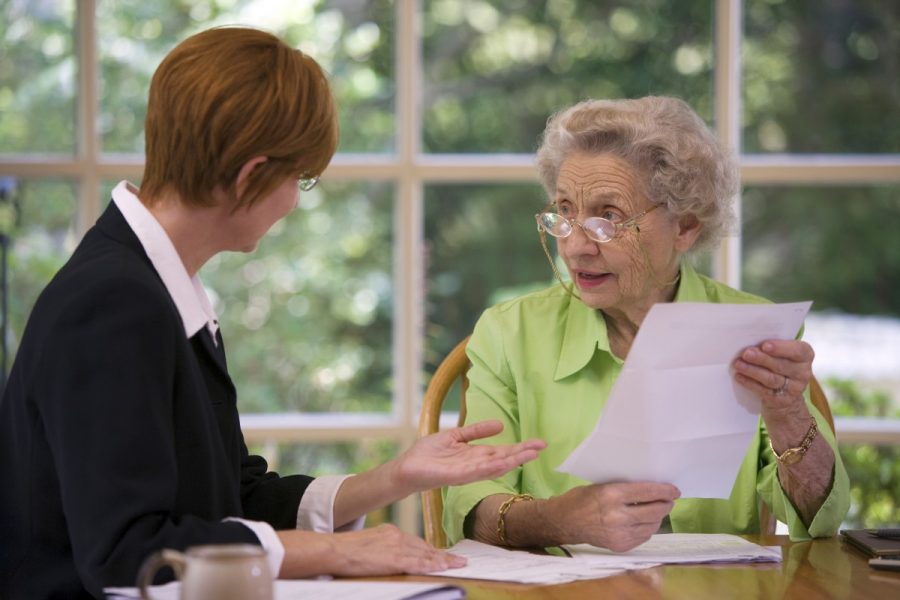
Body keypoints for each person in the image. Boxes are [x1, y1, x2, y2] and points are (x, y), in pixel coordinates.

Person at [0, 27, 546, 599]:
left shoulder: (156, 287)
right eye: (300, 178)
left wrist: (394, 478)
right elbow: (127, 553)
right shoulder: (114, 303)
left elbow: (237, 498)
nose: (293, 200)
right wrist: (337, 551)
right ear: (250, 175)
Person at [443, 96, 849, 552]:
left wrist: (788, 415)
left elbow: (821, 521)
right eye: (564, 211)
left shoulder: (753, 332)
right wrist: (557, 520)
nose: (575, 247)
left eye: (607, 217)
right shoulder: (509, 334)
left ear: (687, 227)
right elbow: (468, 507)